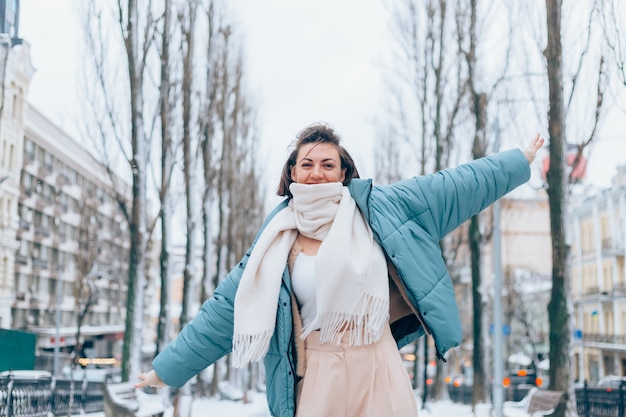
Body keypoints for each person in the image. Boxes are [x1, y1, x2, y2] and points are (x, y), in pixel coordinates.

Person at [136, 123, 544, 417]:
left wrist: (516, 162)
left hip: (378, 365)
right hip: (318, 374)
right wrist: (164, 371)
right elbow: (222, 312)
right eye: (307, 164)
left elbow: (455, 185)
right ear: (292, 174)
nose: (317, 172)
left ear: (344, 173)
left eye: (328, 164)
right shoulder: (273, 243)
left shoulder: (383, 209)